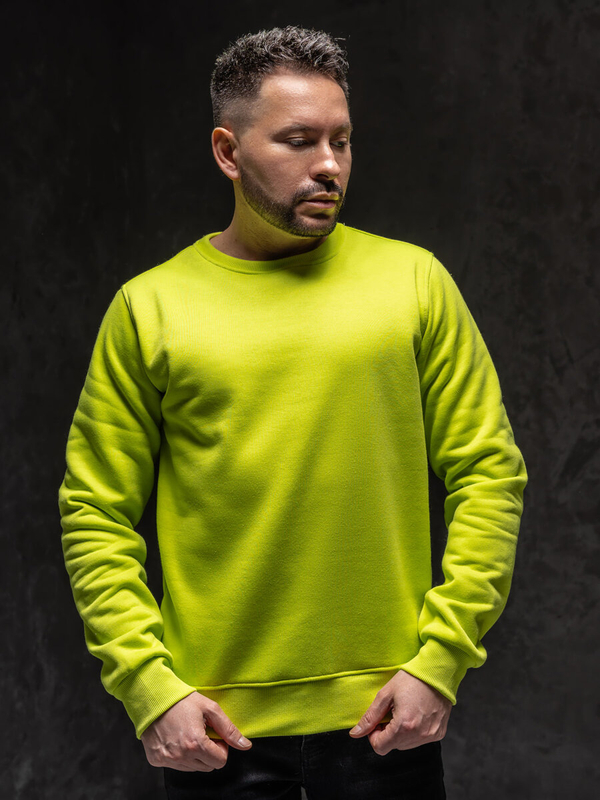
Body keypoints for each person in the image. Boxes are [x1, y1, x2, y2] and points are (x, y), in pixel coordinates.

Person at [59, 25, 527, 800]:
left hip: (386, 722)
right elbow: (94, 512)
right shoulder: (149, 308)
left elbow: (489, 476)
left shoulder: (415, 284)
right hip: (217, 734)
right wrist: (149, 687)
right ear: (228, 151)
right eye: (300, 141)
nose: (330, 165)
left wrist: (441, 662)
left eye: (342, 141)